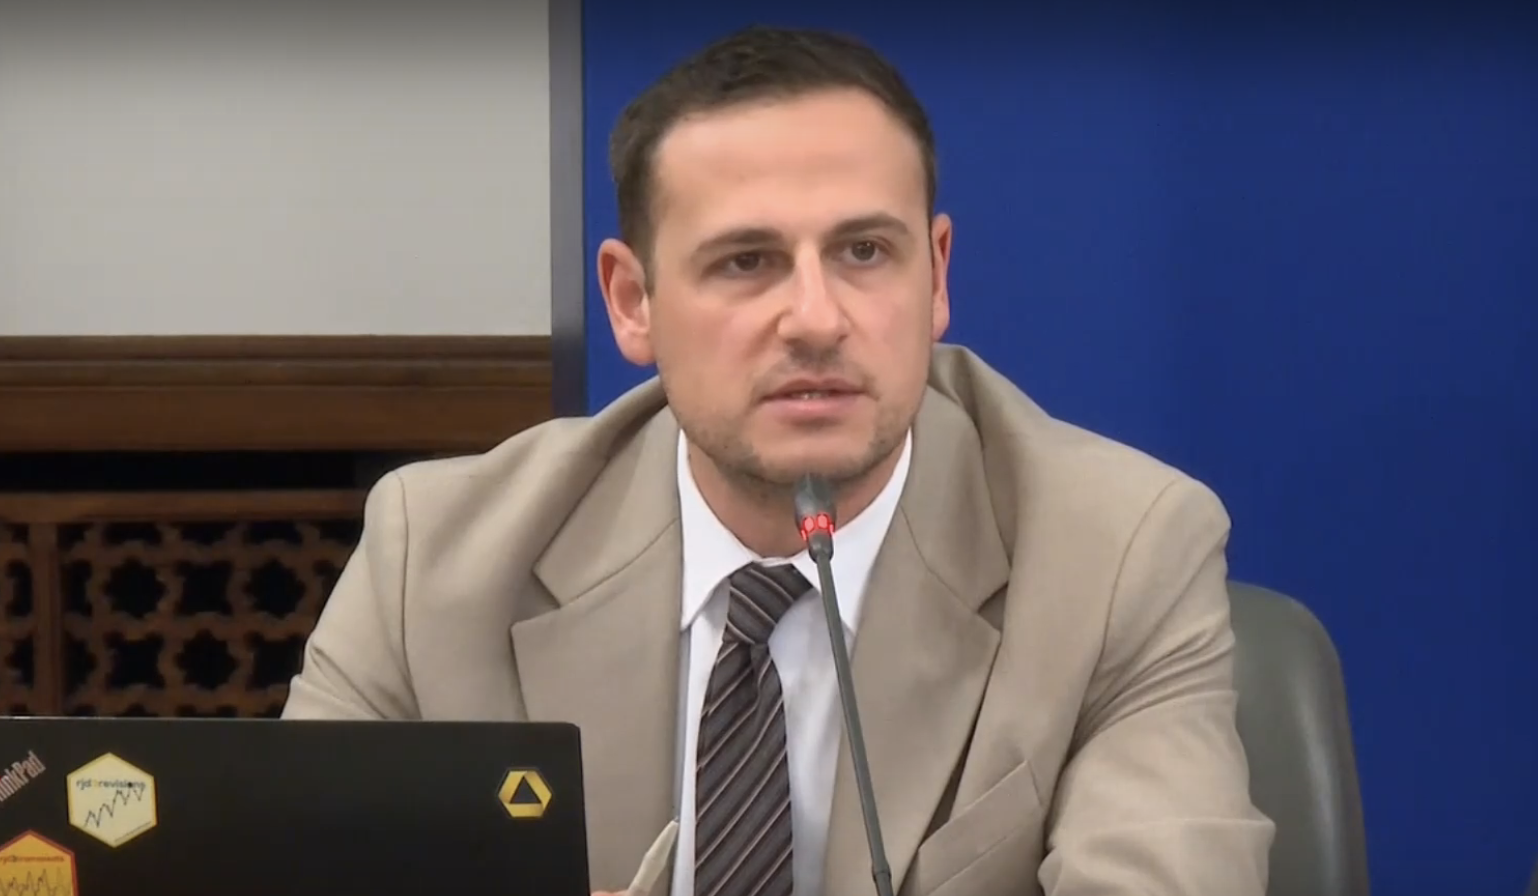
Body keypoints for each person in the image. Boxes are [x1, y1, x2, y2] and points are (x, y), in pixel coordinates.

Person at [282, 25, 1274, 896]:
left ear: (936, 276)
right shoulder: (435, 562)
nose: (814, 319)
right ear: (631, 301)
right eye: (746, 262)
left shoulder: (1116, 557)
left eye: (863, 252)